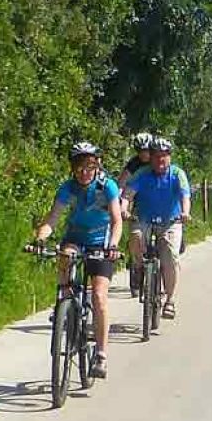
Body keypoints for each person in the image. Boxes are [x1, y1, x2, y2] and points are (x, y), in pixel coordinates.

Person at [33, 142, 122, 378]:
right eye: (79, 167)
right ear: (72, 168)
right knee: (65, 254)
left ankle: (101, 355)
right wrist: (40, 239)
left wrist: (112, 245)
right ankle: (65, 302)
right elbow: (52, 219)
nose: (84, 172)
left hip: (100, 242)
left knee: (99, 296)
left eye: (89, 166)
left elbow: (116, 220)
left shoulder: (107, 186)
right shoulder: (67, 188)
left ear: (96, 166)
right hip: (75, 237)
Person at [122, 138, 190, 320]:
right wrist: (124, 208)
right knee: (135, 237)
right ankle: (137, 266)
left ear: (170, 157)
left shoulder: (177, 174)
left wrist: (185, 213)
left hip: (171, 220)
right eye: (156, 156)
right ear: (150, 158)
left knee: (170, 256)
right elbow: (128, 194)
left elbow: (185, 196)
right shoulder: (142, 174)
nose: (160, 160)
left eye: (164, 156)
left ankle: (170, 300)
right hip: (143, 218)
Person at [119, 132, 156, 296]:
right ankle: (136, 267)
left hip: (156, 198)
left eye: (146, 150)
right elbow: (122, 182)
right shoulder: (134, 163)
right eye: (140, 151)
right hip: (136, 198)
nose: (143, 154)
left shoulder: (158, 159)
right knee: (136, 236)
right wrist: (119, 203)